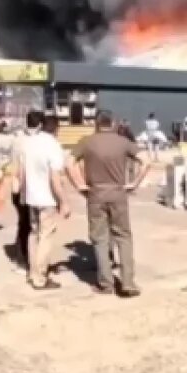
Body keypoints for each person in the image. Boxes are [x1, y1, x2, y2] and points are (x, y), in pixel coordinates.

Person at [67, 111, 149, 297]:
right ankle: (128, 282)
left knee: (100, 238)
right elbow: (146, 160)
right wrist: (134, 183)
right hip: (118, 193)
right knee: (123, 236)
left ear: (96, 124)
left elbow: (68, 163)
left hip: (96, 193)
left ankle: (106, 283)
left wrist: (79, 185)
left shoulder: (87, 142)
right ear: (113, 123)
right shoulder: (123, 142)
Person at [17, 113, 70, 290]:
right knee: (46, 236)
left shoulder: (28, 143)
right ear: (56, 129)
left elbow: (21, 173)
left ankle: (33, 272)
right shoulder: (53, 145)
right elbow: (55, 178)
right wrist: (64, 201)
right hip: (47, 198)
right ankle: (40, 277)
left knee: (34, 234)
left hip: (31, 196)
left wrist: (22, 194)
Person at [8, 110, 42, 270]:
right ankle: (25, 258)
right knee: (29, 224)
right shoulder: (35, 141)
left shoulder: (17, 139)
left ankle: (22, 255)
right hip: (27, 187)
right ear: (40, 124)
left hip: (17, 186)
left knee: (24, 222)